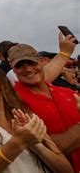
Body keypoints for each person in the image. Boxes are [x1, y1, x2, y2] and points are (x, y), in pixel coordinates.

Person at [0, 64, 73, 173]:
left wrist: (35, 145)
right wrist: (19, 141)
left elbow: (66, 169)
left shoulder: (23, 109)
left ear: (0, 80)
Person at [9, 40, 80, 172]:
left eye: (31, 62)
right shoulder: (14, 100)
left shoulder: (68, 93)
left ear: (41, 62)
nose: (28, 69)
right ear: (13, 69)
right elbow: (50, 148)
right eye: (20, 66)